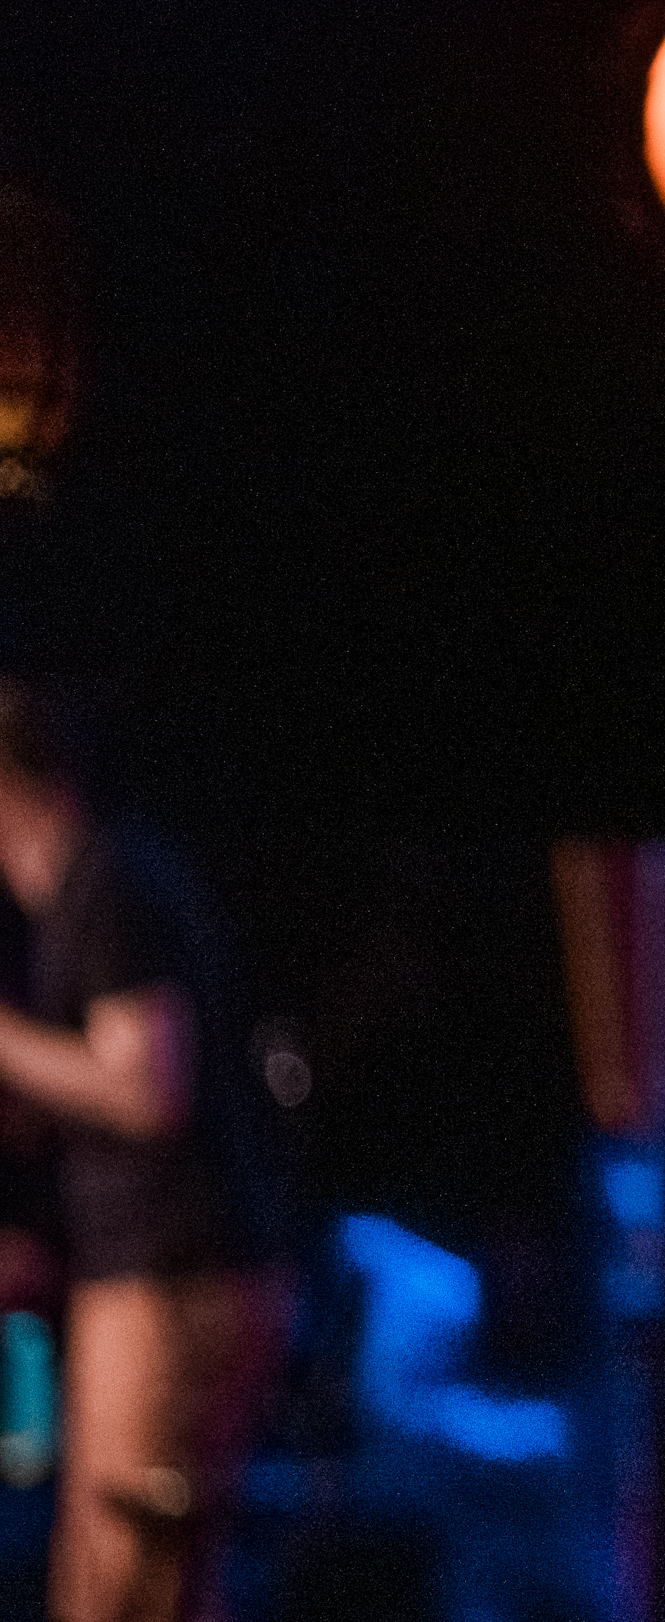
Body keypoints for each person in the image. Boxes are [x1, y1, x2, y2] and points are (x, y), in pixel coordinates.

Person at [0, 683, 292, 1622]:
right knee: (114, 1584)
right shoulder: (88, 889)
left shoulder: (111, 879)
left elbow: (146, 1086)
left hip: (176, 1276)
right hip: (155, 1271)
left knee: (125, 1592)